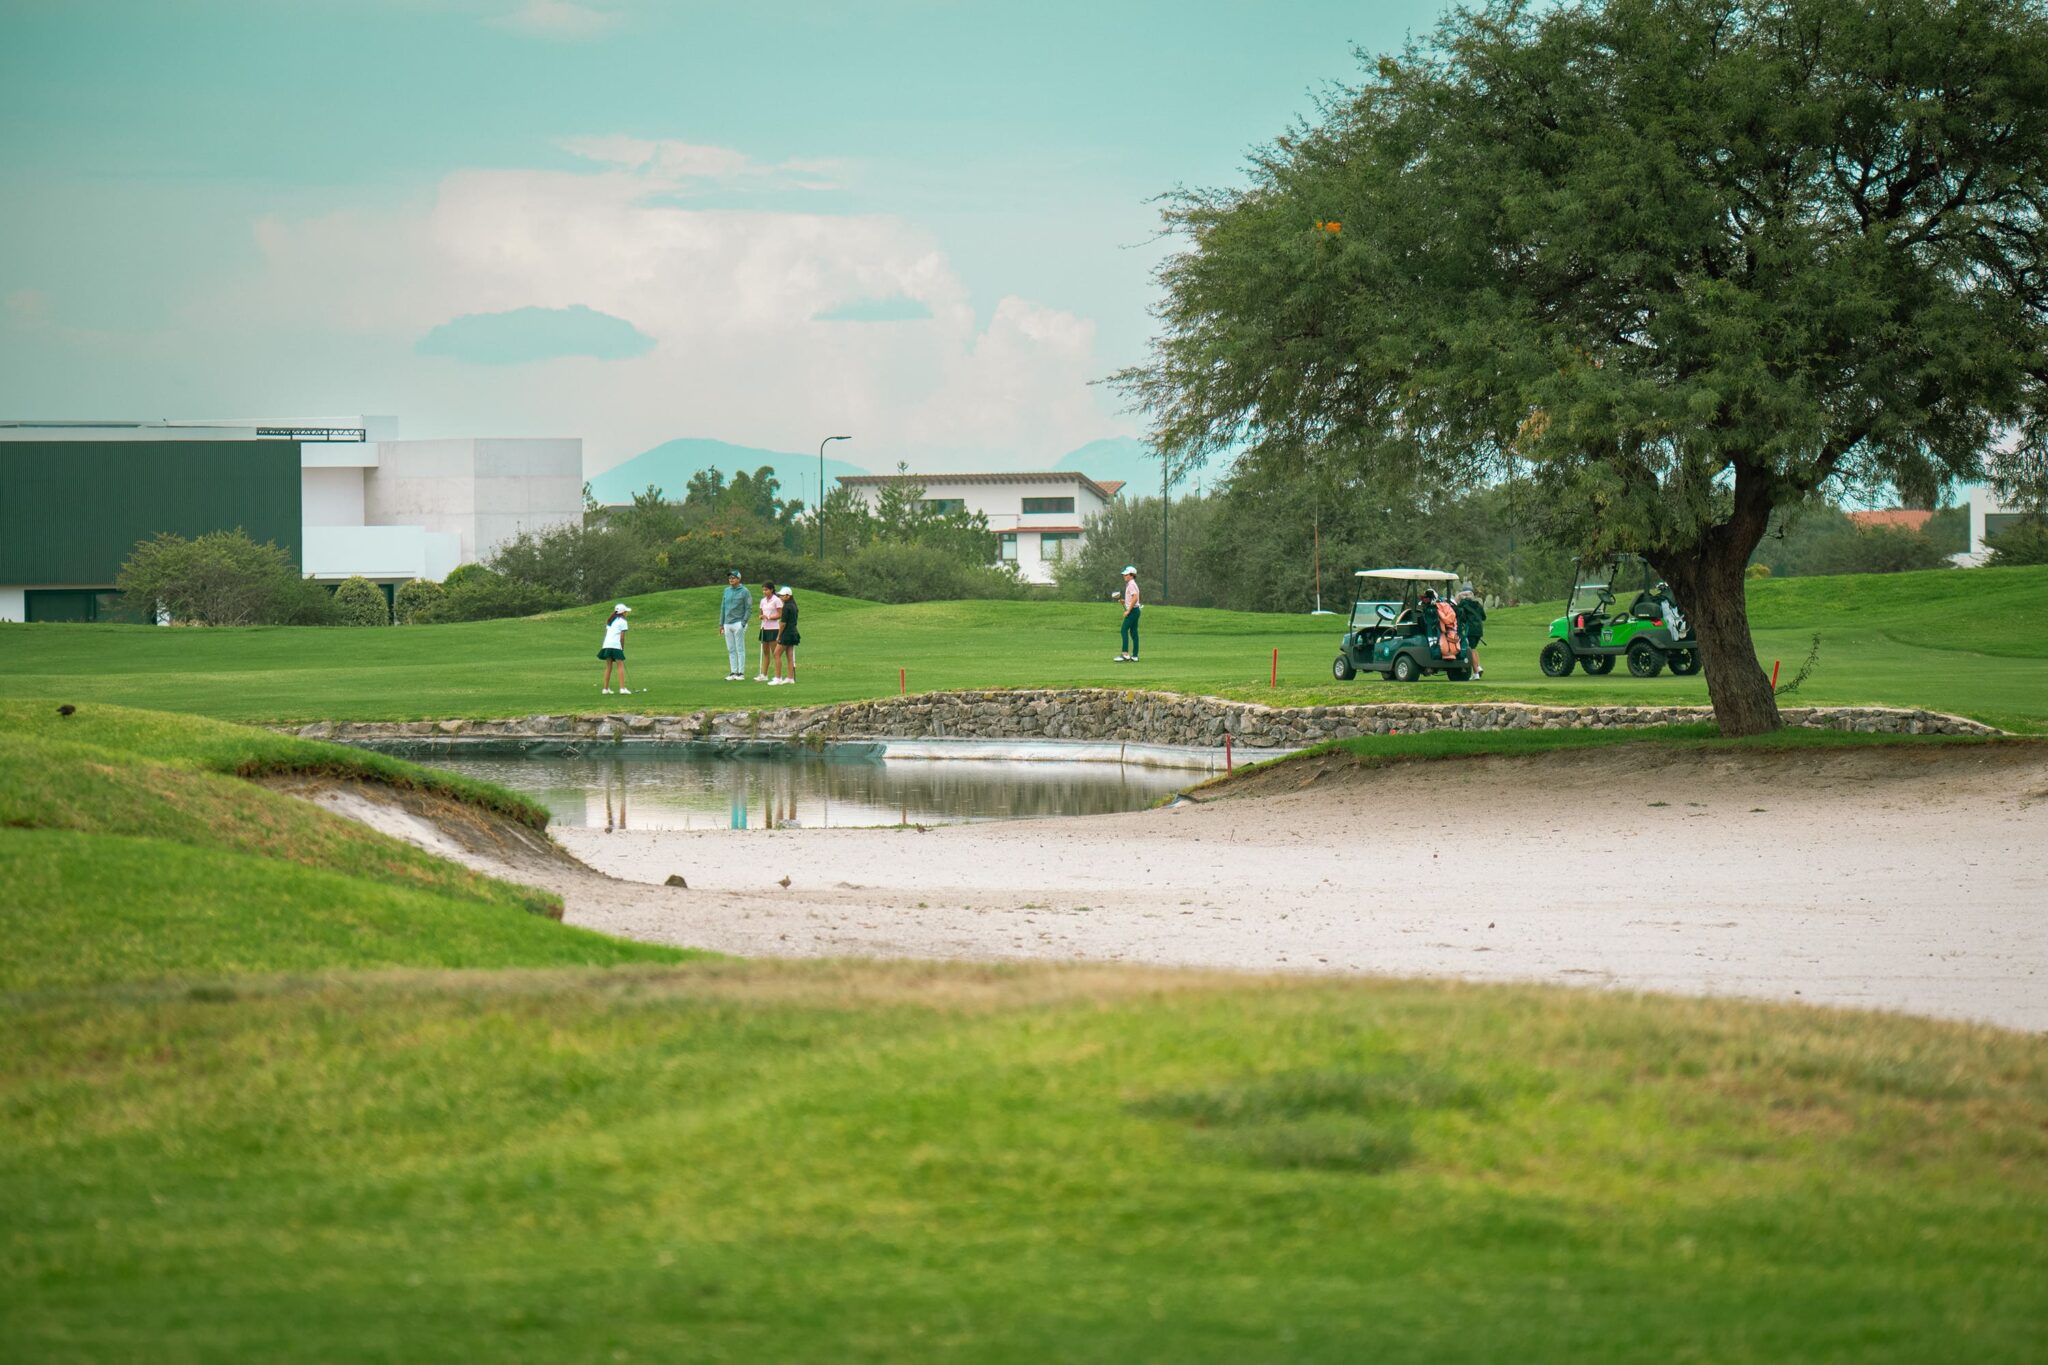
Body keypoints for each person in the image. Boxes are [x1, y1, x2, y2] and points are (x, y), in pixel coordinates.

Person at [717, 569, 749, 680]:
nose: (731, 579)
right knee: (731, 649)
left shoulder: (744, 591)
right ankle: (733, 672)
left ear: (739, 579)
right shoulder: (726, 591)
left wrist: (743, 623)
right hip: (727, 624)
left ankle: (741, 673)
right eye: (730, 578)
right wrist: (721, 624)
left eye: (733, 578)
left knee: (740, 648)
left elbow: (748, 608)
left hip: (738, 623)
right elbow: (723, 607)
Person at [596, 603, 632, 695]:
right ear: (622, 612)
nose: (626, 613)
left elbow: (608, 633)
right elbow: (622, 637)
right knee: (620, 666)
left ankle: (605, 689)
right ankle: (622, 689)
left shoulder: (610, 620)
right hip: (615, 645)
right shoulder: (623, 621)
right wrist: (622, 648)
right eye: (625, 612)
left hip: (607, 645)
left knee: (608, 667)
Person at [1455, 587, 1488, 678]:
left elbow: (1459, 615)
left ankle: (1476, 673)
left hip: (1470, 630)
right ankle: (1478, 668)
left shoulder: (1462, 605)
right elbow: (1484, 617)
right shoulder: (1477, 604)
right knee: (1473, 648)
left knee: (1470, 650)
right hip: (1479, 630)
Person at [772, 585, 800, 685]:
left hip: (787, 633)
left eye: (782, 596)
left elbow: (783, 623)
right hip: (793, 633)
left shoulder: (786, 607)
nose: (780, 597)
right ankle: (790, 678)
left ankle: (778, 678)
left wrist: (778, 635)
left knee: (776, 654)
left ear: (788, 596)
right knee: (789, 655)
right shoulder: (794, 605)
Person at [756, 580, 782, 681]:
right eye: (763, 590)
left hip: (774, 628)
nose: (764, 592)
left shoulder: (776, 600)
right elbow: (761, 613)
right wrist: (761, 616)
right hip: (764, 628)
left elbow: (780, 614)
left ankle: (777, 676)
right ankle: (764, 675)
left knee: (775, 653)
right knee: (765, 653)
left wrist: (769, 617)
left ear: (771, 590)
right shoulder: (762, 601)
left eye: (766, 590)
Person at [1114, 565, 1142, 662]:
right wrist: (1124, 601)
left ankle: (1125, 654)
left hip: (1133, 611)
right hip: (1136, 610)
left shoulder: (1131, 584)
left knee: (1123, 630)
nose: (1124, 576)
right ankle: (1135, 656)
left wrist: (1128, 610)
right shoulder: (1131, 584)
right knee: (1134, 633)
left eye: (1126, 574)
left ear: (1132, 575)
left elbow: (1135, 597)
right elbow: (1132, 598)